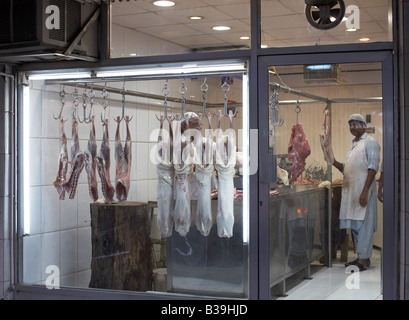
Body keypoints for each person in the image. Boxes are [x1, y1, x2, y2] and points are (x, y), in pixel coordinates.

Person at [332, 114, 381, 271]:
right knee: (355, 226)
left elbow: (373, 168)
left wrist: (365, 191)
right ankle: (362, 258)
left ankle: (364, 260)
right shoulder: (354, 144)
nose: (352, 127)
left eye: (355, 124)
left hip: (363, 192)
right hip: (351, 193)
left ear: (363, 125)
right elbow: (346, 168)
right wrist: (332, 161)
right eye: (350, 124)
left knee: (364, 226)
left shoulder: (371, 142)